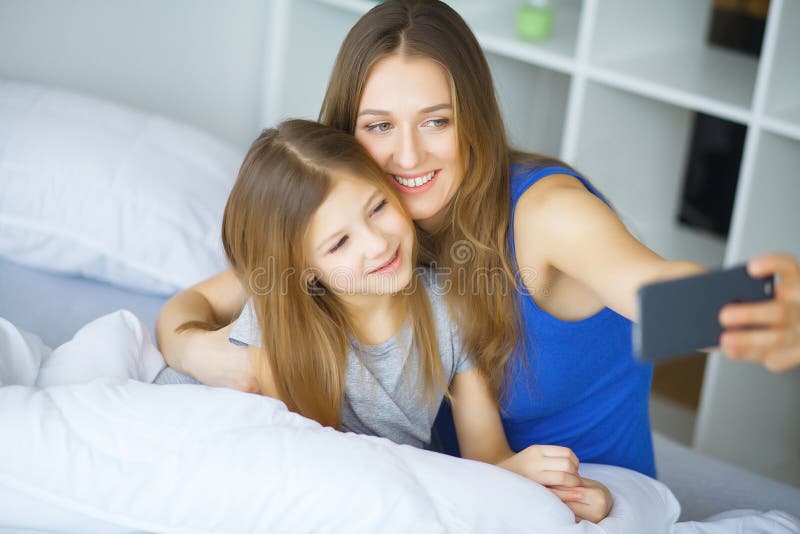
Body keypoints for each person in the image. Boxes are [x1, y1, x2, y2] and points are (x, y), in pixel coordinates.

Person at [156, 0, 800, 479]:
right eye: (379, 125)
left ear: (473, 120)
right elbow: (192, 309)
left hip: (575, 491)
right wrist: (204, 356)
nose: (406, 156)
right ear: (345, 134)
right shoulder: (356, 231)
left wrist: (747, 309)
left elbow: (651, 288)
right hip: (437, 489)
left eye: (436, 121)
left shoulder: (544, 214)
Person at [158, 118, 613, 523]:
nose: (376, 244)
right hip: (195, 447)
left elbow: (486, 458)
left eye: (377, 207)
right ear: (304, 267)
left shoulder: (449, 309)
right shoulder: (278, 321)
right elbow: (300, 464)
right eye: (339, 243)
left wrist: (550, 490)